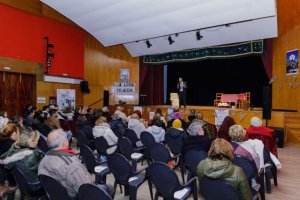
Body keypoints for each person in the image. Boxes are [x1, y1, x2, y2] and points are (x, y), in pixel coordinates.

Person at [38, 129, 114, 198]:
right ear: (64, 143)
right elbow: (86, 187)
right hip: (76, 196)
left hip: (58, 196)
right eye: (66, 138)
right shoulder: (70, 164)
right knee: (110, 188)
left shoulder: (43, 160)